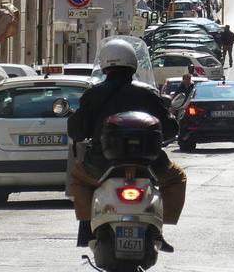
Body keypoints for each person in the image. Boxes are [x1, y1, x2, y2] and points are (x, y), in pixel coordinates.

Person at [67, 39, 187, 250]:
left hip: (101, 164)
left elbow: (77, 131)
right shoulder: (148, 93)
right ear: (133, 63)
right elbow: (170, 130)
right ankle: (158, 229)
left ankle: (87, 228)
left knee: (78, 179)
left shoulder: (93, 94)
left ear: (104, 64)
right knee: (177, 178)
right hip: (150, 164)